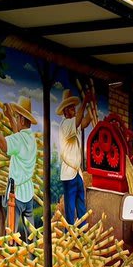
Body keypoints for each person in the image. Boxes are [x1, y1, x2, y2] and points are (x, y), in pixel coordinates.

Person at [0, 97, 39, 241]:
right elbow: (18, 135)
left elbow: (4, 146)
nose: (17, 120)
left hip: (15, 195)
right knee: (31, 233)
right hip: (28, 193)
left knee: (12, 233)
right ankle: (32, 257)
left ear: (22, 120)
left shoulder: (19, 140)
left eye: (17, 118)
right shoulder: (31, 139)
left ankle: (12, 256)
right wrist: (10, 117)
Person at [57, 89, 93, 226]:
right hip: (68, 173)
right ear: (65, 111)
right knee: (70, 208)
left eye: (74, 107)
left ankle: (82, 232)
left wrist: (91, 107)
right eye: (71, 107)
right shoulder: (66, 125)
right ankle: (70, 234)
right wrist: (84, 102)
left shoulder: (73, 124)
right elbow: (79, 121)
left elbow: (84, 123)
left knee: (81, 204)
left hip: (76, 172)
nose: (74, 109)